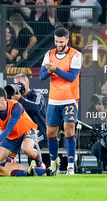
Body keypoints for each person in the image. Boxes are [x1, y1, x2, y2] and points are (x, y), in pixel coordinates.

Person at [39, 27, 82, 175]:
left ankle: (71, 165)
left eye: (61, 42)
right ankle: (53, 163)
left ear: (67, 40)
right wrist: (49, 70)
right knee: (51, 133)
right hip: (54, 99)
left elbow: (71, 77)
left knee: (69, 128)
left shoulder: (76, 55)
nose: (58, 44)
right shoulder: (49, 54)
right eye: (56, 41)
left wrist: (55, 69)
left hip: (70, 98)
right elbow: (41, 76)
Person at [0, 87, 47, 170]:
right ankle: (10, 160)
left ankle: (40, 164)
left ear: (2, 100)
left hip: (27, 131)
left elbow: (9, 128)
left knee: (26, 149)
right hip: (12, 136)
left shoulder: (16, 107)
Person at [12, 73, 47, 148]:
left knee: (30, 146)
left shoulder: (36, 94)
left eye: (20, 84)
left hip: (40, 132)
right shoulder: (15, 99)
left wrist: (20, 100)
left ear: (27, 83)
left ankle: (38, 160)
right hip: (24, 133)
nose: (18, 87)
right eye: (15, 85)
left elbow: (36, 107)